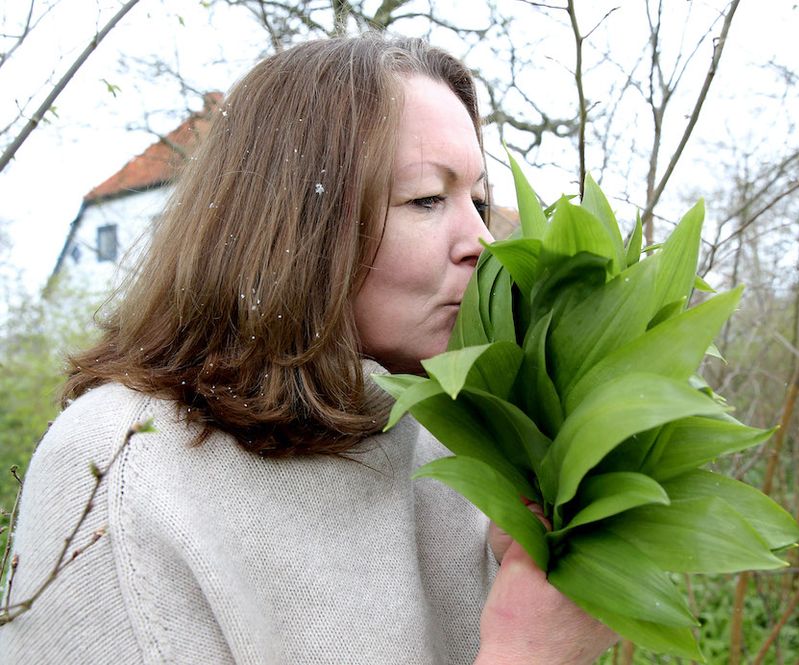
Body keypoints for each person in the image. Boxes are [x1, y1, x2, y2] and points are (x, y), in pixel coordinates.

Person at [0, 34, 615, 664]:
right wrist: (529, 654)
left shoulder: (456, 450)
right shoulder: (125, 468)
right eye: (427, 197)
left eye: (479, 201)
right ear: (295, 226)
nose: (484, 242)